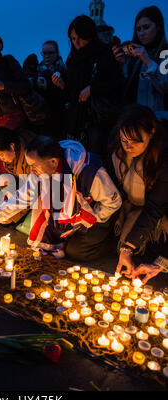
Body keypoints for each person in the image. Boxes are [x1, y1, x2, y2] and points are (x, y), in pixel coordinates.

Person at [0, 135, 122, 261]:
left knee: (76, 252)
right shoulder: (41, 172)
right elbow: (22, 198)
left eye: (34, 166)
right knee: (54, 236)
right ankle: (69, 232)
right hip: (70, 217)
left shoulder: (89, 173)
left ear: (54, 162)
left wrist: (89, 219)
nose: (31, 171)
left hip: (96, 216)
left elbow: (113, 202)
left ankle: (111, 244)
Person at [111, 105, 168, 283]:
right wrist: (127, 249)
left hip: (160, 213)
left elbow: (155, 207)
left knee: (152, 250)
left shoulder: (163, 160)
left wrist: (128, 248)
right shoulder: (118, 153)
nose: (128, 146)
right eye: (124, 140)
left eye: (135, 141)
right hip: (131, 209)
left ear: (151, 133)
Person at [60, 15, 123, 156]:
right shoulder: (72, 59)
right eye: (73, 39)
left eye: (80, 38)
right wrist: (61, 84)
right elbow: (71, 90)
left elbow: (115, 82)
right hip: (76, 118)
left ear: (88, 35)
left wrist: (93, 89)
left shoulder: (103, 53)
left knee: (95, 158)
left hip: (97, 119)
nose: (76, 43)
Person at [112, 6, 168, 114]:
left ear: (158, 27)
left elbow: (165, 86)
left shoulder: (165, 53)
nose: (141, 33)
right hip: (132, 119)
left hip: (156, 121)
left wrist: (147, 61)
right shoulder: (135, 57)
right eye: (138, 29)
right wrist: (122, 64)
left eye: (146, 27)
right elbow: (125, 91)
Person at [0, 126, 35, 224]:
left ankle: (20, 217)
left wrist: (11, 216)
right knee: (4, 179)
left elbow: (29, 193)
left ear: (12, 146)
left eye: (1, 155)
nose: (1, 159)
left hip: (38, 194)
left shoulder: (29, 159)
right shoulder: (15, 152)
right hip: (22, 187)